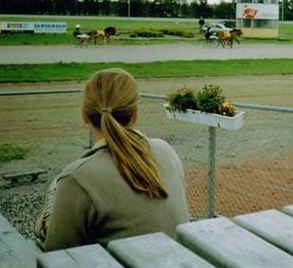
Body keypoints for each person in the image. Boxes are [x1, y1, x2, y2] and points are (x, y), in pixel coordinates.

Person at [36, 68, 190, 251]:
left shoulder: (76, 177)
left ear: (84, 117)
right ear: (135, 115)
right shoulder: (165, 151)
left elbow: (58, 256)